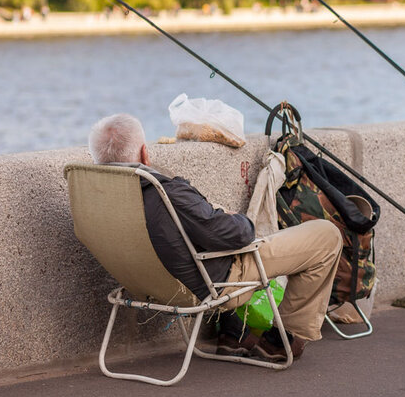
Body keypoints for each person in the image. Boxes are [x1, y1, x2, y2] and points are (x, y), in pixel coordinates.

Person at [88, 113, 341, 362]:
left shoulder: (97, 199)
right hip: (217, 283)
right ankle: (281, 341)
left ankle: (234, 332)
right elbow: (239, 235)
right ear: (145, 153)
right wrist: (237, 219)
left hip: (146, 285)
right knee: (326, 236)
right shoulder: (167, 192)